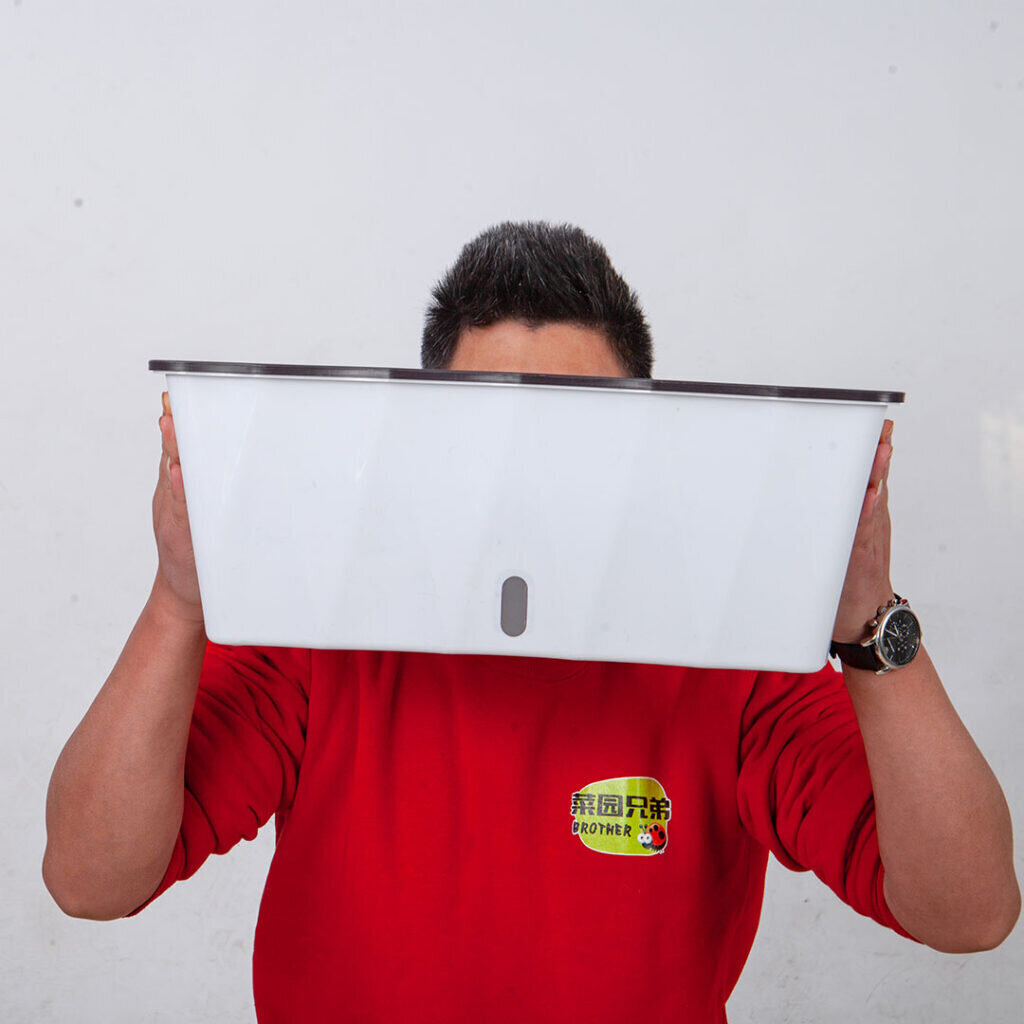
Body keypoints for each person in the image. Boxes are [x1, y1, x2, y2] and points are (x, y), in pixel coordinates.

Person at [44, 222, 1019, 1022]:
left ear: (645, 439)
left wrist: (866, 622)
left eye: (576, 430)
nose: (529, 478)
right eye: (490, 427)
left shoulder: (730, 655)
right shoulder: (319, 637)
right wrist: (180, 600)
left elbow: (970, 912)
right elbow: (91, 881)